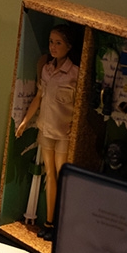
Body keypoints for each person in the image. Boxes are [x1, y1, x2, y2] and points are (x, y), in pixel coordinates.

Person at [16, 23, 81, 240]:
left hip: (64, 133)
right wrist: (25, 121)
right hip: (46, 129)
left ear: (69, 46)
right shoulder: (46, 69)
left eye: (58, 43)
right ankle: (49, 222)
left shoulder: (74, 73)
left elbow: (78, 106)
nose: (53, 47)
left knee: (62, 177)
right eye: (51, 42)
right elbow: (39, 97)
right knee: (50, 175)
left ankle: (61, 226)